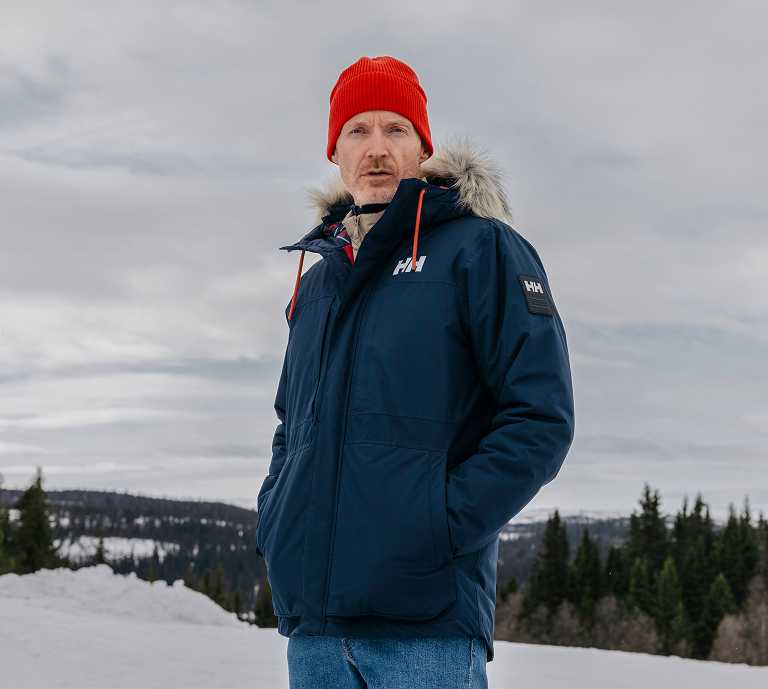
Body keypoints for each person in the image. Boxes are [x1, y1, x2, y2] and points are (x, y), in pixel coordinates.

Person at [255, 55, 575, 689]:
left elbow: (539, 419)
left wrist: (438, 526)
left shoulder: (481, 249)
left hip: (425, 631)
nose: (377, 148)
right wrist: (277, 518)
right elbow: (291, 428)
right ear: (335, 152)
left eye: (396, 129)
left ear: (423, 148)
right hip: (314, 631)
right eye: (358, 130)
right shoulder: (317, 283)